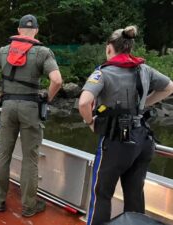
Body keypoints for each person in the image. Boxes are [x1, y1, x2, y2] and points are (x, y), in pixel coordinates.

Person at [78, 25, 173, 225]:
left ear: (109, 48)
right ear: (129, 47)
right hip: (143, 142)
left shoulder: (104, 72)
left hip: (116, 142)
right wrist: (144, 103)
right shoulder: (145, 69)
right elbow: (169, 87)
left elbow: (84, 102)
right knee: (135, 193)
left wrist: (90, 122)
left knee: (102, 192)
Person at [0, 14, 63, 217]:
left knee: (3, 155)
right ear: (36, 31)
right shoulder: (43, 52)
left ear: (18, 31)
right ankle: (28, 206)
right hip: (30, 108)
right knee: (30, 159)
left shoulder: (3, 51)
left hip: (7, 106)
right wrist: (47, 99)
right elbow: (57, 81)